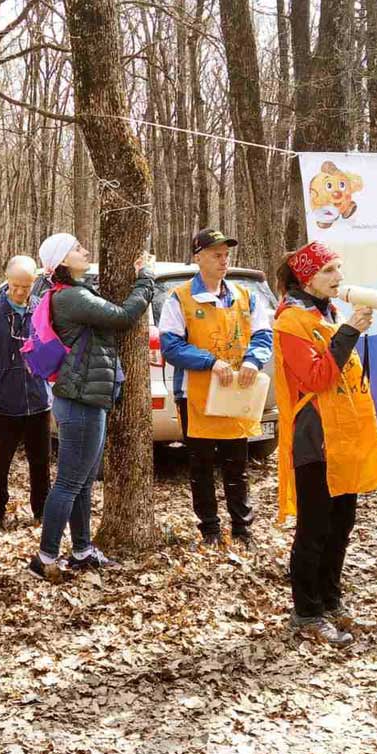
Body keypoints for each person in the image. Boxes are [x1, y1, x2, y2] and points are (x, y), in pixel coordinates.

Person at [272, 241, 377, 648]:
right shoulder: (290, 322)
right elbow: (318, 377)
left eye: (339, 269)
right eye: (329, 272)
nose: (339, 278)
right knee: (315, 528)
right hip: (314, 440)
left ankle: (330, 599)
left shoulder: (328, 312)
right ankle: (306, 612)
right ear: (306, 278)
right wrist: (351, 331)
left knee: (341, 524)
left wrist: (348, 328)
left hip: (343, 436)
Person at [29, 232, 155, 580]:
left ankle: (82, 551)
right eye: (77, 248)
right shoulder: (71, 297)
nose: (85, 251)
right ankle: (45, 557)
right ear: (62, 261)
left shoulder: (76, 292)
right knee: (69, 483)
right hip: (80, 400)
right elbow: (123, 316)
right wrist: (145, 280)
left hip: (87, 398)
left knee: (82, 483)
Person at [160, 229, 271, 546]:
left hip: (236, 392)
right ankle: (209, 529)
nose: (223, 260)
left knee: (238, 464)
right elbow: (171, 346)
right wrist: (210, 362)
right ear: (198, 258)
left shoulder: (245, 296)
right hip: (195, 394)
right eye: (215, 254)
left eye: (225, 254)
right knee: (201, 466)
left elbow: (263, 335)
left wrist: (252, 361)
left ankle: (242, 528)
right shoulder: (179, 298)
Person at [0, 256, 51, 532]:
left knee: (40, 463)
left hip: (38, 401)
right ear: (6, 278)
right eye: (15, 285)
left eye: (26, 286)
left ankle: (42, 510)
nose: (20, 291)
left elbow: (50, 351)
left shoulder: (41, 309)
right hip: (3, 403)